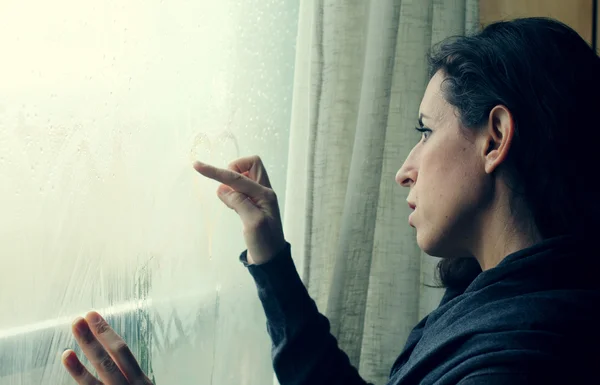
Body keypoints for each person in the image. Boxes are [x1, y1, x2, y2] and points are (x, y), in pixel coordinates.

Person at [60, 17, 600, 384]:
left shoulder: (520, 358)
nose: (403, 171)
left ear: (495, 138)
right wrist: (270, 253)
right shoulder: (499, 294)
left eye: (426, 131)